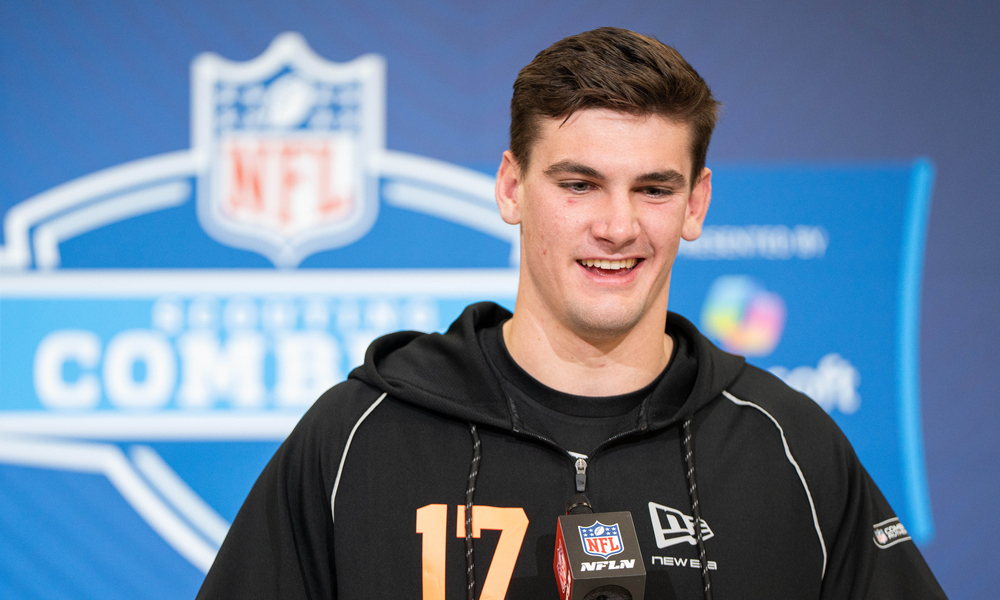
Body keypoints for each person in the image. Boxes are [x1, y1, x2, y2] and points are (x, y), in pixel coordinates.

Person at [197, 27, 946, 599]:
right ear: (511, 189)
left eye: (654, 189)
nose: (617, 227)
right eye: (579, 184)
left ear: (696, 204)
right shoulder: (359, 436)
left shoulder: (787, 446)